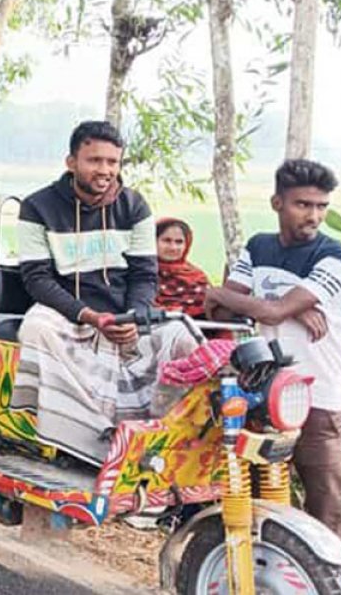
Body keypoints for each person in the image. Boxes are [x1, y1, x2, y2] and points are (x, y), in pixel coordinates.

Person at [10, 121, 199, 466]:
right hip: (69, 317)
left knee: (181, 335)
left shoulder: (134, 206)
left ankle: (162, 440)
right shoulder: (37, 207)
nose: (105, 170)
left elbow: (144, 274)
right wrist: (90, 317)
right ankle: (89, 442)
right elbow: (37, 280)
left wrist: (133, 318)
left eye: (112, 162)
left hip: (124, 317)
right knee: (35, 328)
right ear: (71, 162)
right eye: (94, 160)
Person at [206, 159, 341, 544]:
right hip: (265, 396)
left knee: (328, 513)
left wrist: (249, 299)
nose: (314, 216)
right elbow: (220, 312)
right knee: (263, 505)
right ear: (277, 203)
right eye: (302, 204)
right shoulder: (259, 247)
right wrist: (288, 305)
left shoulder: (337, 258)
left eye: (321, 206)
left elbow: (257, 309)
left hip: (319, 399)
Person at [155, 217, 211, 318]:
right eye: (166, 240)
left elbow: (210, 309)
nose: (173, 247)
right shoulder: (142, 273)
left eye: (179, 242)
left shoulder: (196, 276)